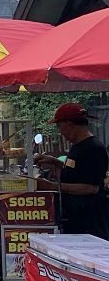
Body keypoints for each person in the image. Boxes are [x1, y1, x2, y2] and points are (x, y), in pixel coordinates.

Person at [35, 103, 109, 240]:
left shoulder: (93, 149)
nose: (60, 132)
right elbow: (78, 170)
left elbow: (91, 188)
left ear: (69, 124)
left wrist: (52, 186)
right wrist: (54, 161)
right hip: (75, 217)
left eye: (60, 126)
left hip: (89, 222)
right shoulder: (77, 147)